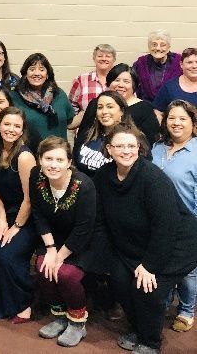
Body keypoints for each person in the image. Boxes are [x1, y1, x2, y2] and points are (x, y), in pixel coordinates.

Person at [95, 124, 197, 353]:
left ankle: (150, 341)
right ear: (109, 149)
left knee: (147, 289)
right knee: (120, 281)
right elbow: (101, 219)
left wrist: (150, 265)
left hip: (175, 245)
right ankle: (139, 328)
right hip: (134, 243)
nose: (126, 150)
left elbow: (166, 226)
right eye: (119, 145)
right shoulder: (103, 176)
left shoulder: (152, 178)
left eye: (131, 145)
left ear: (139, 148)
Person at [32, 136, 97, 348]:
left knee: (65, 273)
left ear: (69, 162)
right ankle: (59, 315)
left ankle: (78, 321)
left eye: (60, 160)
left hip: (84, 240)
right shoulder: (37, 177)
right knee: (43, 267)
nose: (53, 164)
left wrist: (59, 257)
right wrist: (50, 249)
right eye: (48, 158)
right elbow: (38, 214)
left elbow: (83, 229)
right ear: (40, 159)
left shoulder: (84, 185)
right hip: (55, 237)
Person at [0, 107, 37, 322]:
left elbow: (30, 198)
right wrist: (0, 217)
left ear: (22, 129)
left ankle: (23, 302)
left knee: (8, 254)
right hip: (4, 213)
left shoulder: (25, 156)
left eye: (17, 126)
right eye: (7, 124)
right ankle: (1, 302)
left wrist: (15, 227)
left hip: (27, 217)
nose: (11, 129)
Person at [151, 100, 197, 333]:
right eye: (172, 118)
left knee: (188, 270)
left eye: (182, 118)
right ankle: (166, 302)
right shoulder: (157, 147)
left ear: (192, 122)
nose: (176, 123)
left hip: (189, 222)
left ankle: (187, 310)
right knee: (164, 264)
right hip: (160, 221)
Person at [78, 64, 160, 146]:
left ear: (134, 85)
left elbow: (150, 141)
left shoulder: (145, 108)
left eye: (126, 81)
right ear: (109, 83)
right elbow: (82, 135)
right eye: (116, 80)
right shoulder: (96, 103)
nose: (120, 85)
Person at [11, 53, 75, 140]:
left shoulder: (59, 94)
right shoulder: (14, 97)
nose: (37, 73)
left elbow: (70, 122)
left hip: (59, 151)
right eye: (32, 69)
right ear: (25, 74)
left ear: (47, 74)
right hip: (28, 152)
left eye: (41, 70)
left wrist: (88, 112)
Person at [73, 90, 135, 177]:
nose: (104, 111)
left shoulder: (133, 139)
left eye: (110, 107)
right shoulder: (87, 134)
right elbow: (75, 165)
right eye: (100, 107)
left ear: (122, 111)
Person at [132, 30, 182, 103]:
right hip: (146, 107)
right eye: (154, 45)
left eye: (163, 45)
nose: (158, 48)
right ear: (149, 47)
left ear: (168, 47)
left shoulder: (179, 63)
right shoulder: (140, 64)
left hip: (172, 107)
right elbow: (132, 85)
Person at [68, 44, 116, 115]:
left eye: (108, 56)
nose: (103, 59)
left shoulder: (120, 80)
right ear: (94, 58)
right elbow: (71, 106)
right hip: (88, 125)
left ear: (114, 59)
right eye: (100, 56)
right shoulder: (81, 80)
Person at [153, 48, 197, 119]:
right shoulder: (169, 87)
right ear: (181, 65)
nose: (194, 66)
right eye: (189, 62)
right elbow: (157, 111)